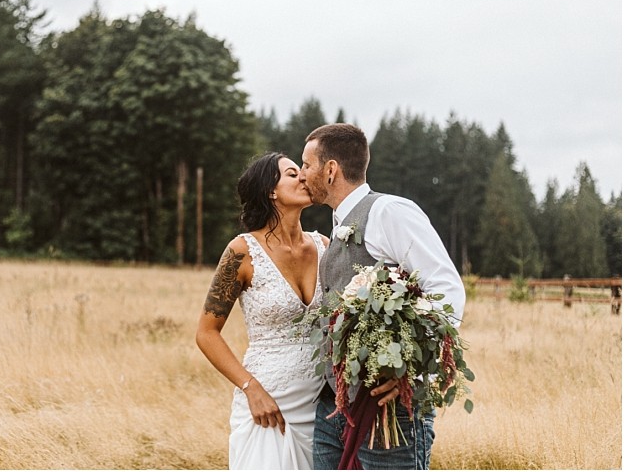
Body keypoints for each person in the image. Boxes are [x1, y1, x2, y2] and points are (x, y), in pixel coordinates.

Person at [298, 123, 466, 470]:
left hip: (390, 413)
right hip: (333, 408)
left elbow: (446, 288)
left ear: (330, 170)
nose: (302, 174)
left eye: (307, 164)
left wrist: (408, 368)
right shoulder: (339, 222)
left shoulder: (388, 211)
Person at [196, 152, 329, 469]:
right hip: (267, 405)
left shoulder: (325, 246)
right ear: (271, 191)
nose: (303, 177)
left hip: (322, 406)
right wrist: (251, 388)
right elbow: (206, 333)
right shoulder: (242, 252)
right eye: (292, 173)